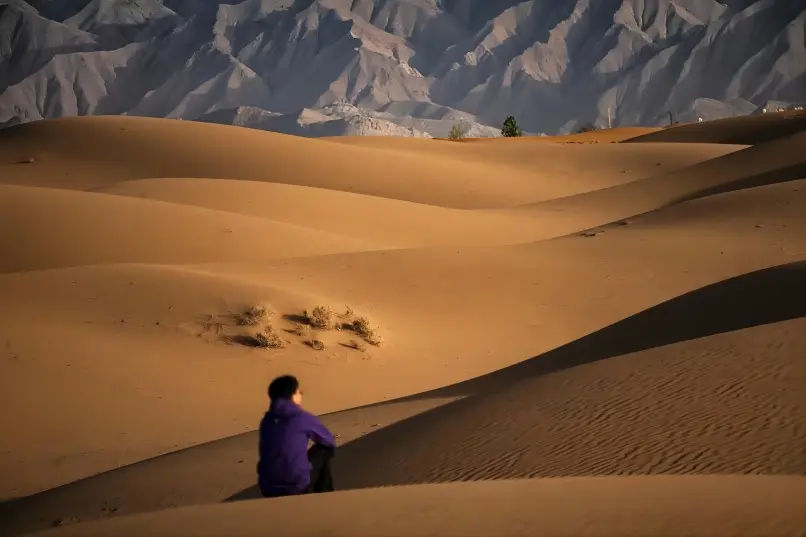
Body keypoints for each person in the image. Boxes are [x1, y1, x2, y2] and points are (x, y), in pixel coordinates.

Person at [257, 375, 336, 498]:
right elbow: (328, 441)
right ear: (293, 395)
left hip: (268, 487)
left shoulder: (266, 420)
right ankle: (324, 497)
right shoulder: (301, 417)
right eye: (299, 392)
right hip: (296, 485)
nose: (300, 395)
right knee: (325, 449)